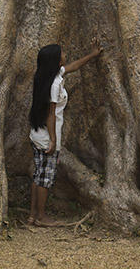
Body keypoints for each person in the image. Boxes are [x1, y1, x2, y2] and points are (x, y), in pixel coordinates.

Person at [28, 43, 102, 226]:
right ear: (55, 59)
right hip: (46, 138)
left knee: (39, 176)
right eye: (62, 52)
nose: (65, 54)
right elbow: (50, 115)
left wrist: (92, 55)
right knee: (45, 178)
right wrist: (53, 141)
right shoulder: (53, 85)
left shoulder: (48, 76)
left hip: (37, 135)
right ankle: (42, 217)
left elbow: (73, 66)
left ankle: (33, 215)